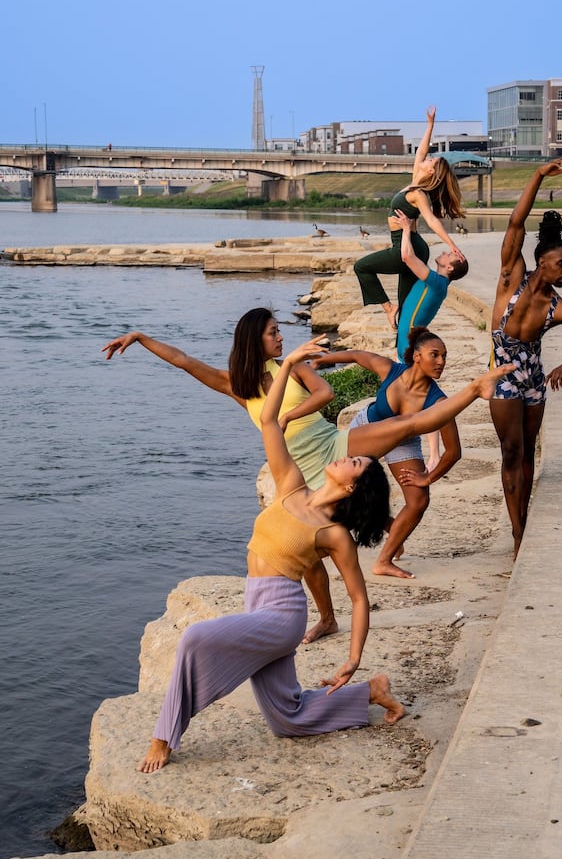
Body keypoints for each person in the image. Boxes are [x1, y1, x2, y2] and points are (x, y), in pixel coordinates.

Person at [103, 310, 513, 635]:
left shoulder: (294, 365)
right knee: (311, 554)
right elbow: (185, 362)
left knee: (406, 426)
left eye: (280, 331)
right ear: (253, 340)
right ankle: (328, 618)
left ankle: (475, 389)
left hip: (333, 446)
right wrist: (140, 338)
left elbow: (325, 393)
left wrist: (288, 414)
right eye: (273, 333)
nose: (281, 338)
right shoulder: (237, 386)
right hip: (300, 474)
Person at [137, 337, 405, 773]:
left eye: (354, 461)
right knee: (287, 717)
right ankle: (372, 693)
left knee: (193, 638)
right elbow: (268, 423)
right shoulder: (291, 484)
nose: (346, 456)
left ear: (352, 486)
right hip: (255, 602)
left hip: (281, 616)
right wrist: (288, 365)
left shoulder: (335, 534)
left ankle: (163, 736)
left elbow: (358, 597)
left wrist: (352, 658)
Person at [489, 158, 562, 558]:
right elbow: (516, 225)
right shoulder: (510, 276)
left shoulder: (558, 308)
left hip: (534, 380)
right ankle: (518, 531)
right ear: (543, 262)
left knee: (528, 451)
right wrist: (538, 175)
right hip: (503, 376)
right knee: (511, 450)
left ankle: (523, 523)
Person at [314, 328, 461, 579]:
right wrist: (318, 361)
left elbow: (454, 451)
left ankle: (385, 560)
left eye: (444, 356)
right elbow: (358, 356)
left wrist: (427, 477)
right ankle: (388, 526)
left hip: (403, 443)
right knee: (347, 489)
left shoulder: (438, 402)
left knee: (419, 501)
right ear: (416, 356)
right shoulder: (391, 371)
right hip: (368, 429)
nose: (441, 362)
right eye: (434, 355)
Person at [353, 106, 465, 330]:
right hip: (409, 244)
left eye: (431, 161)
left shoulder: (418, 194)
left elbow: (432, 220)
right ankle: (403, 352)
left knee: (361, 267)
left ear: (432, 172)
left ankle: (388, 308)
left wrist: (451, 243)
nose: (427, 159)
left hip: (405, 246)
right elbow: (420, 153)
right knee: (406, 307)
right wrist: (430, 126)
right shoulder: (416, 181)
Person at [393, 207, 469, 362]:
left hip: (409, 346)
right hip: (406, 344)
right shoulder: (436, 282)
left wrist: (406, 229)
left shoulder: (437, 283)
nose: (444, 253)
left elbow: (407, 257)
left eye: (449, 255)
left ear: (449, 268)